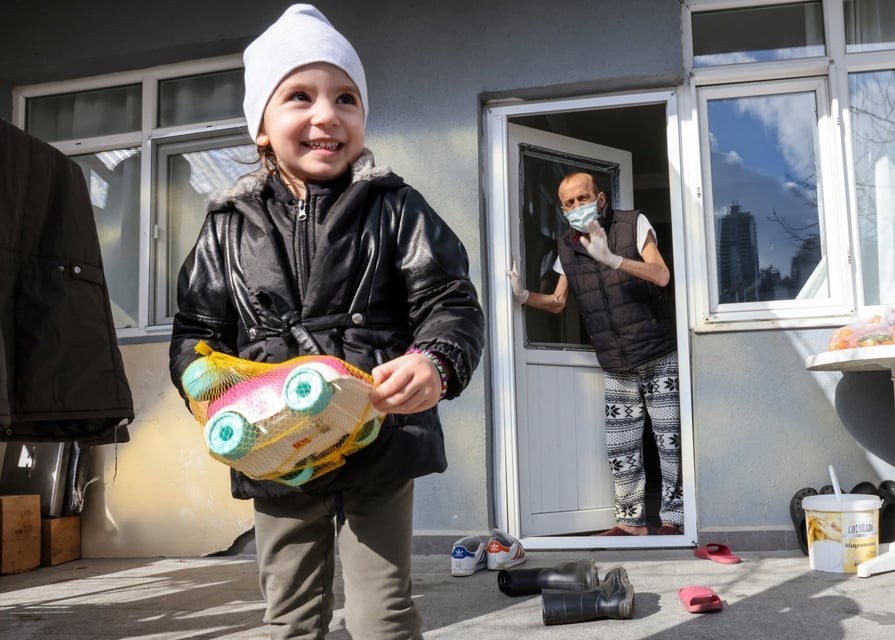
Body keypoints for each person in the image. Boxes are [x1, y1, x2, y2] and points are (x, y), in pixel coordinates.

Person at [167, 5, 485, 639]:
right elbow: (195, 331)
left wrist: (435, 361)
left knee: (382, 613)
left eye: (346, 98)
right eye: (299, 97)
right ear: (260, 126)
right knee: (290, 616)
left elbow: (450, 299)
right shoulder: (225, 226)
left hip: (379, 436)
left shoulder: (395, 206)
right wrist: (203, 381)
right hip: (276, 448)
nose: (326, 115)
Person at [506, 171, 682, 536]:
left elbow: (662, 275)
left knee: (669, 441)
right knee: (621, 448)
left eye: (582, 199)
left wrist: (615, 260)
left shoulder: (632, 223)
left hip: (656, 350)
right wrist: (523, 296)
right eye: (568, 203)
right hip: (615, 359)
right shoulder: (568, 246)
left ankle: (674, 519)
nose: (576, 207)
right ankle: (631, 523)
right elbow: (557, 301)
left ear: (600, 199)